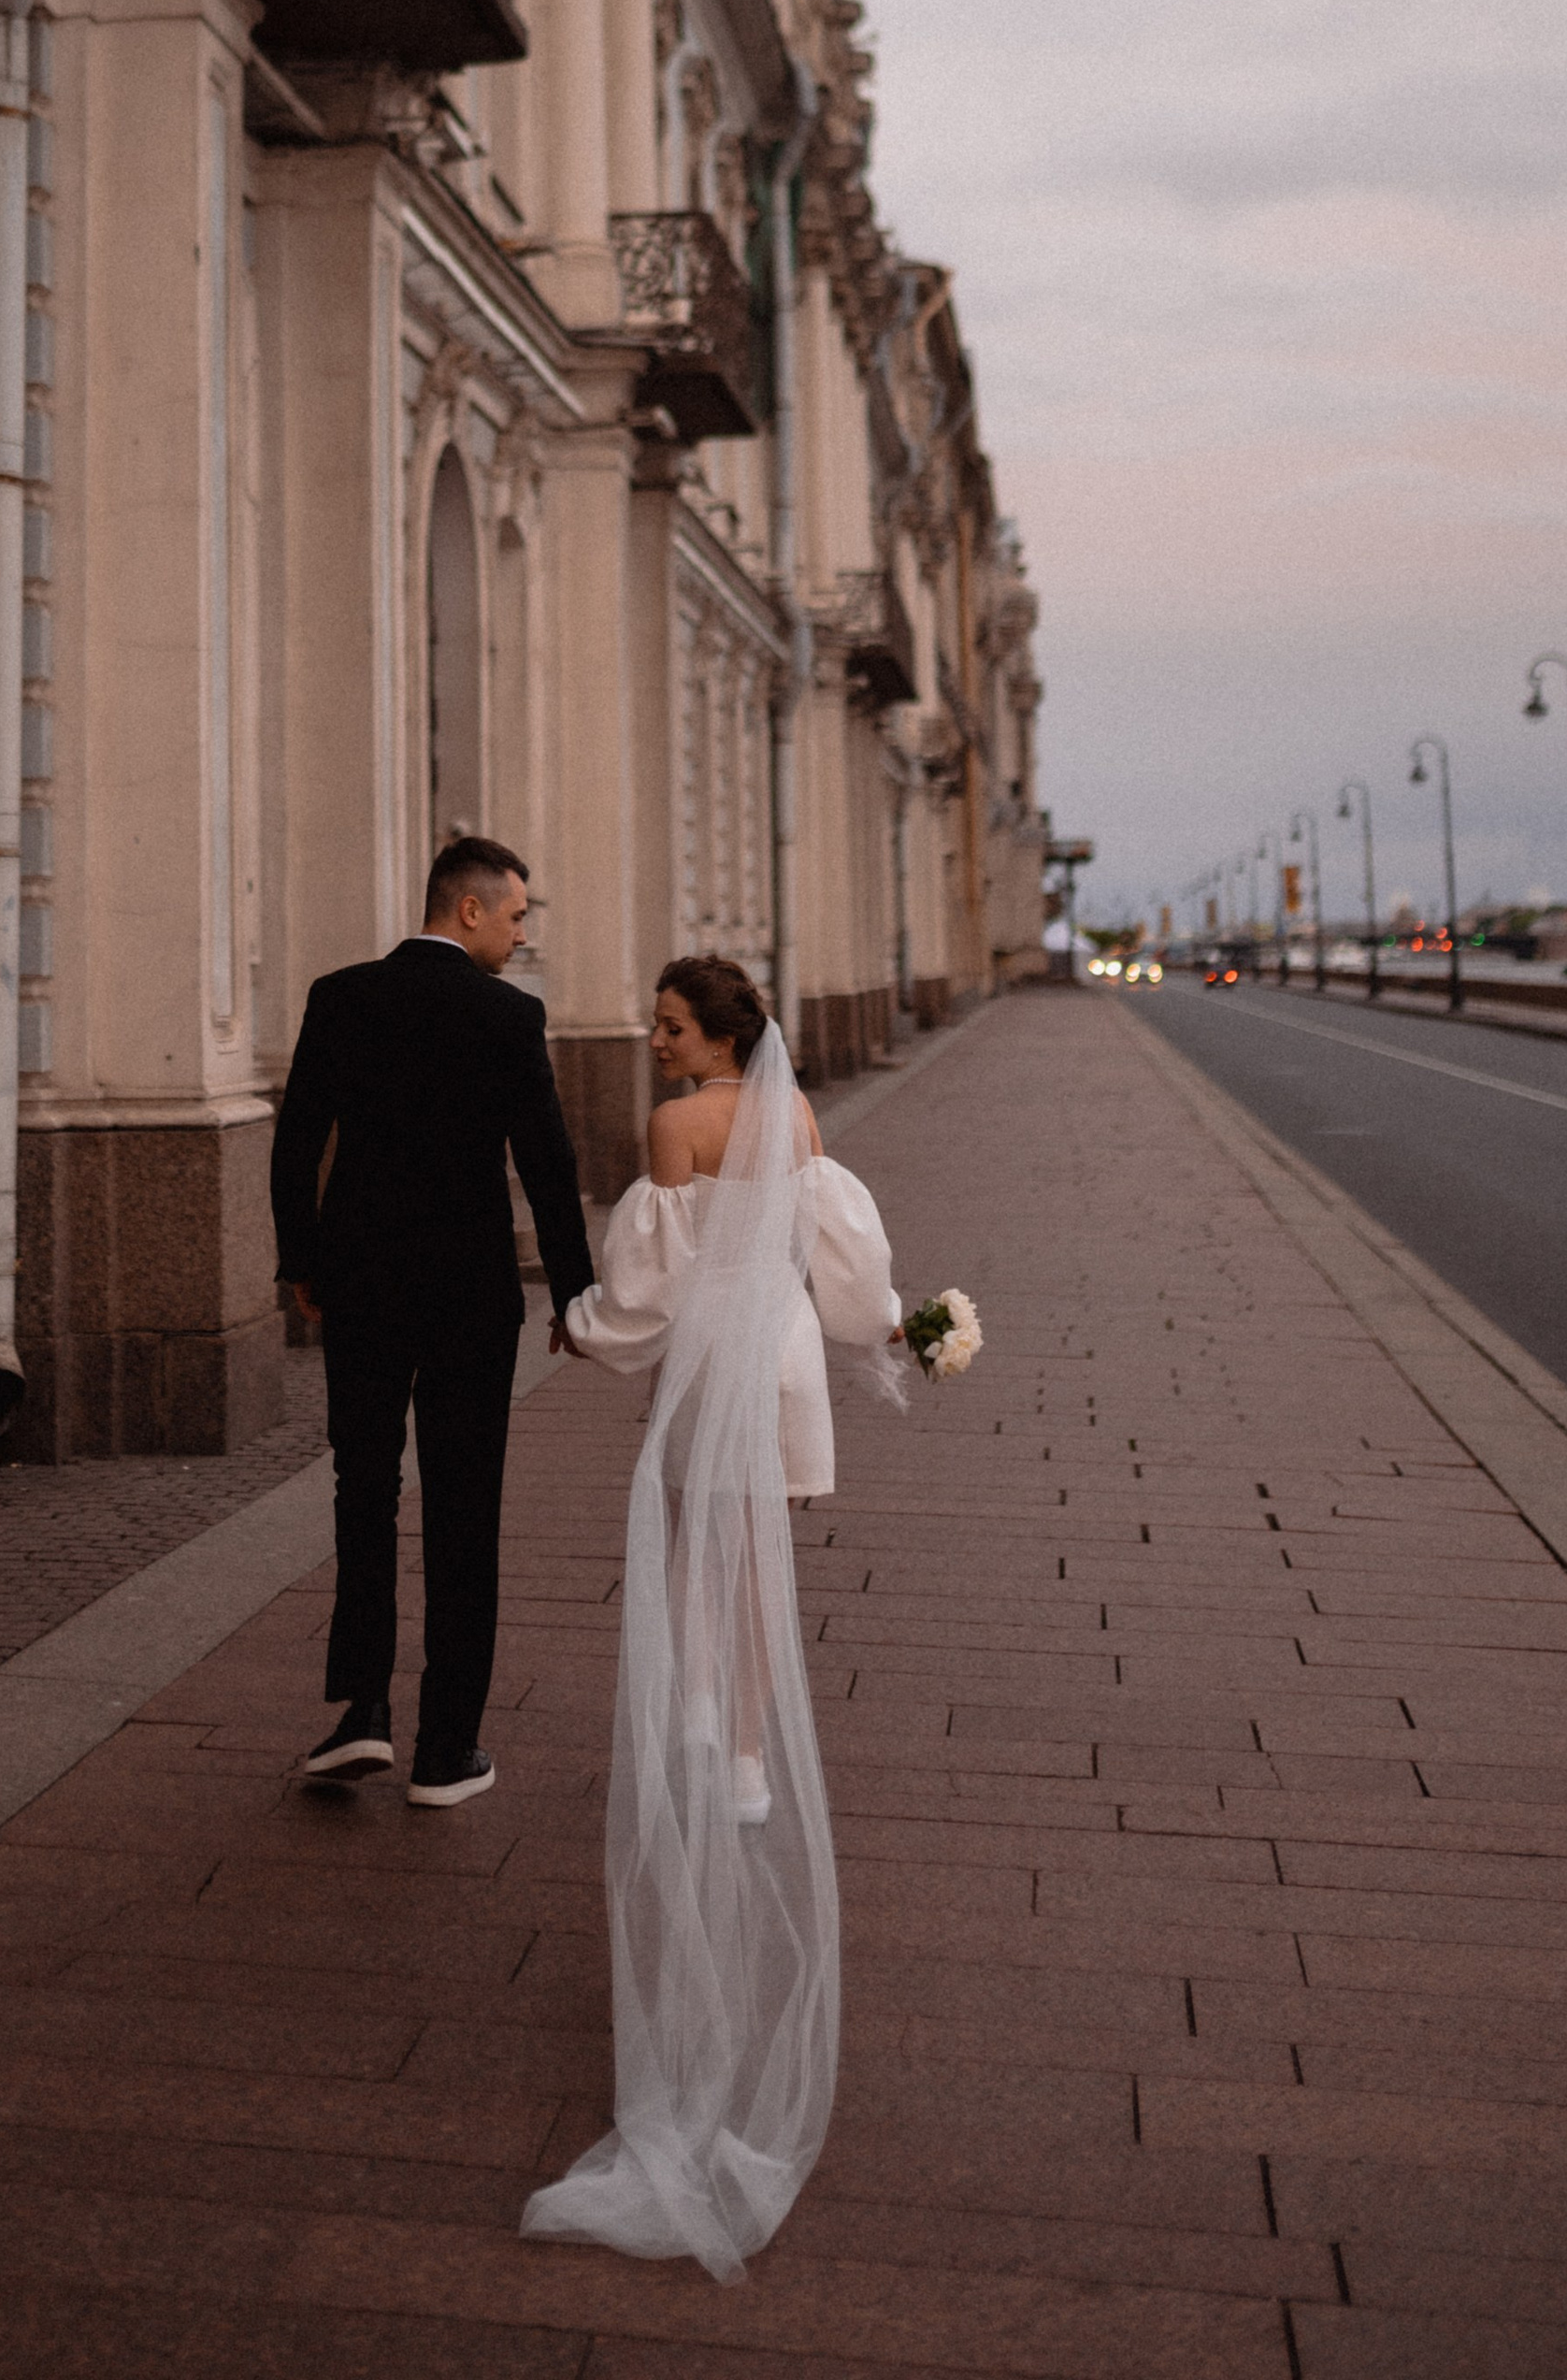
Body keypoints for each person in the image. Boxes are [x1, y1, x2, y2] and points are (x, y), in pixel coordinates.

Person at [523, 953, 900, 2281]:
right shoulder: (792, 1113)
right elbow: (843, 1260)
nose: (656, 1039)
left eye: (672, 1024)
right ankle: (745, 1745)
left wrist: (584, 1323)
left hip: (712, 1360)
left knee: (700, 1545)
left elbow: (654, 1283)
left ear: (715, 1033)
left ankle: (707, 1721)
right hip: (786, 1355)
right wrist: (890, 1325)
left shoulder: (674, 1125)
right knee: (760, 1558)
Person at [271, 835, 596, 1808]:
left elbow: (296, 1144)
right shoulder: (508, 1014)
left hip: (362, 1283)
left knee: (362, 1488)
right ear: (469, 908)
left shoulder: (341, 996)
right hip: (469, 1294)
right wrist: (574, 1294)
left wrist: (302, 1262)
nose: (521, 933)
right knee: (464, 1505)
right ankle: (445, 1748)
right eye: (516, 915)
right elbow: (548, 1162)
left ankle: (363, 1710)